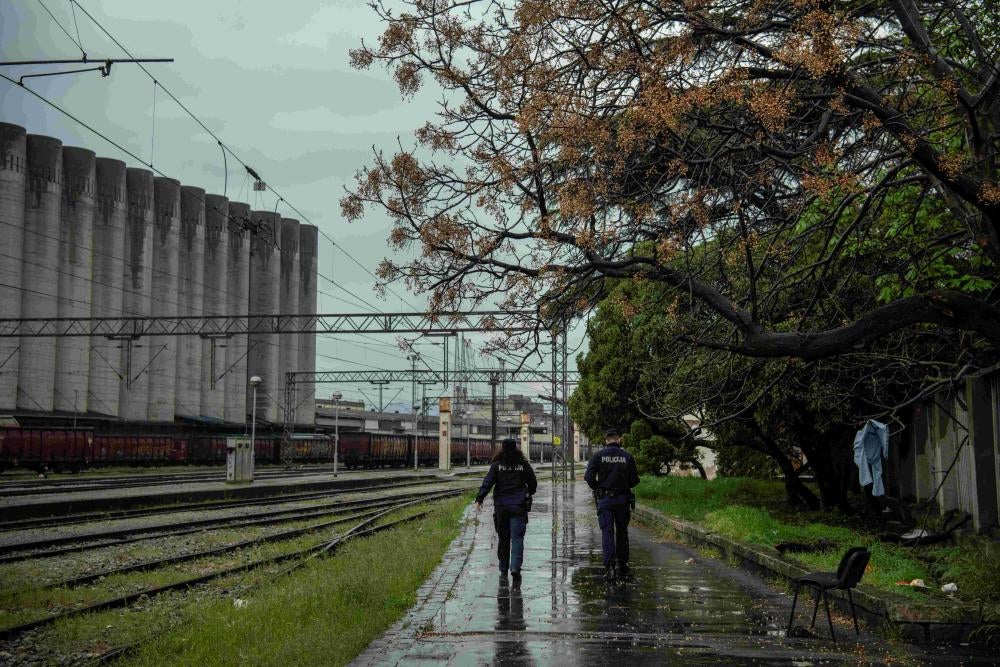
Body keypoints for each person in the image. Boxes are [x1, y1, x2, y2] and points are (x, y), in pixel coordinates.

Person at [476, 438, 537, 584]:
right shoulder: (523, 465)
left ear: (502, 449)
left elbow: (488, 482)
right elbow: (533, 483)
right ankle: (515, 567)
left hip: (502, 508)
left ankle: (503, 568)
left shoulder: (497, 466)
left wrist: (480, 499)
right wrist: (529, 492)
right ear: (516, 449)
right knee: (517, 538)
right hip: (518, 507)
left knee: (503, 539)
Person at [584, 427, 640, 582]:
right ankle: (622, 564)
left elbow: (588, 477)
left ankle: (609, 568)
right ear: (619, 439)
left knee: (607, 533)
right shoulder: (627, 456)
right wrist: (623, 484)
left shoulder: (598, 456)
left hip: (605, 499)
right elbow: (635, 480)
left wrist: (598, 487)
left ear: (605, 440)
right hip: (623, 500)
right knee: (622, 532)